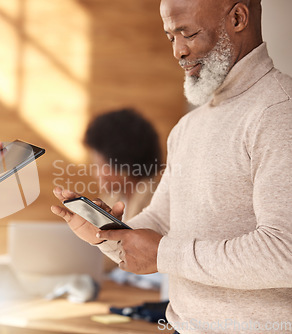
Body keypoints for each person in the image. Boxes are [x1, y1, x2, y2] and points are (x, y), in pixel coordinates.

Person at [52, 0, 291, 332]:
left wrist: (165, 255)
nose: (178, 52)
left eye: (188, 33)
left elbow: (284, 254)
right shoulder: (187, 129)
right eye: (170, 38)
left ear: (237, 18)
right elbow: (161, 220)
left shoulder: (280, 112)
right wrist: (105, 234)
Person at [84, 108, 161, 221]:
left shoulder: (156, 201)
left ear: (124, 164)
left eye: (100, 165)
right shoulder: (110, 198)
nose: (96, 174)